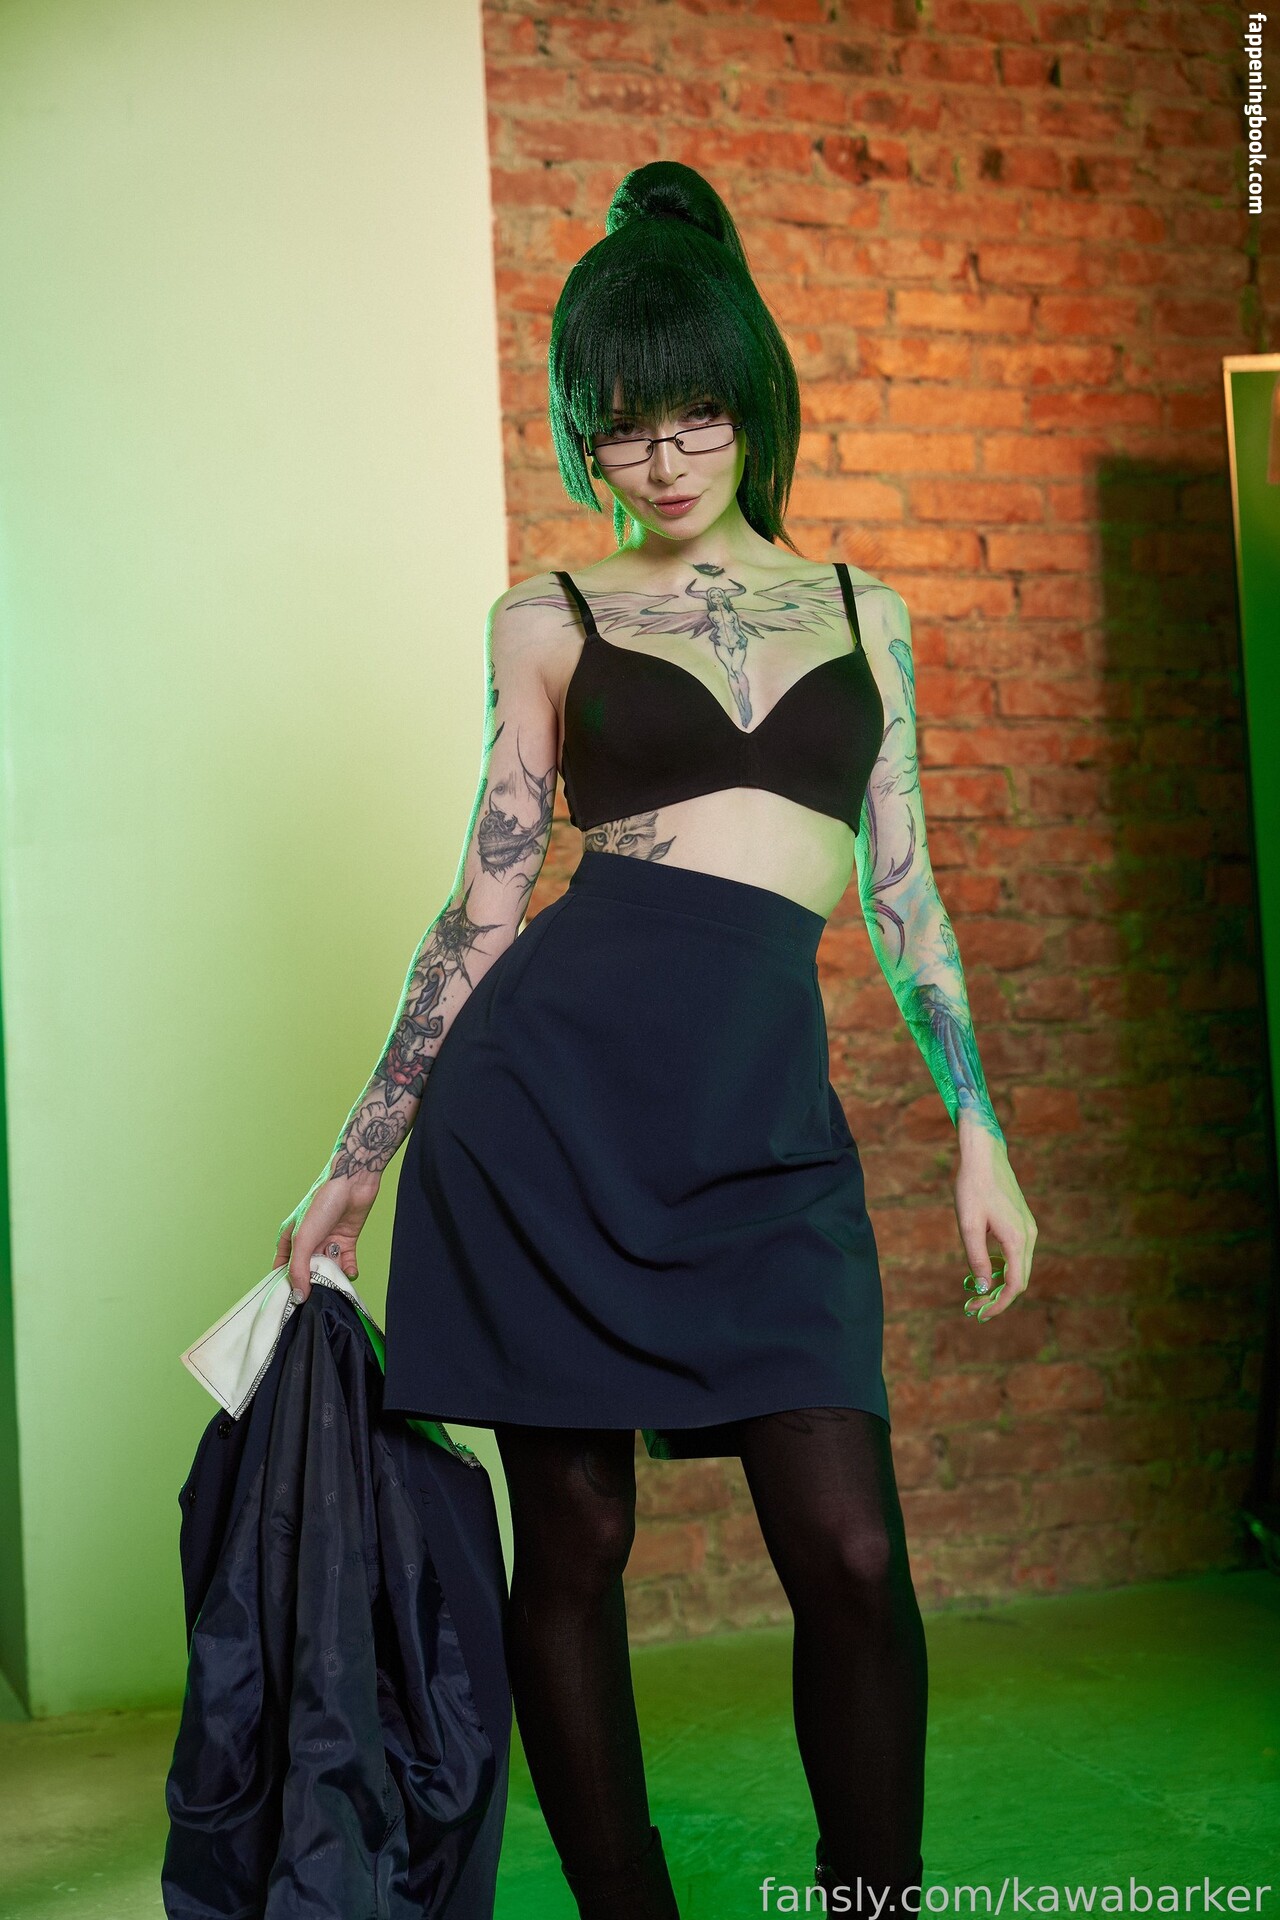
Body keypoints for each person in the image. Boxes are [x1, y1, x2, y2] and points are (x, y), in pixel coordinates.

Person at [275, 160, 1037, 1920]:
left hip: (763, 1134)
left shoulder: (867, 611)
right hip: (547, 1116)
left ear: (753, 400)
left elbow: (907, 896)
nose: (667, 459)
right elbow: (478, 908)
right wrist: (354, 1165)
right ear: (585, 437)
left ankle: (873, 1905)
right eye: (624, 429)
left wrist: (979, 1129)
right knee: (580, 1540)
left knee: (851, 1550)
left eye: (696, 414)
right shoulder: (546, 615)